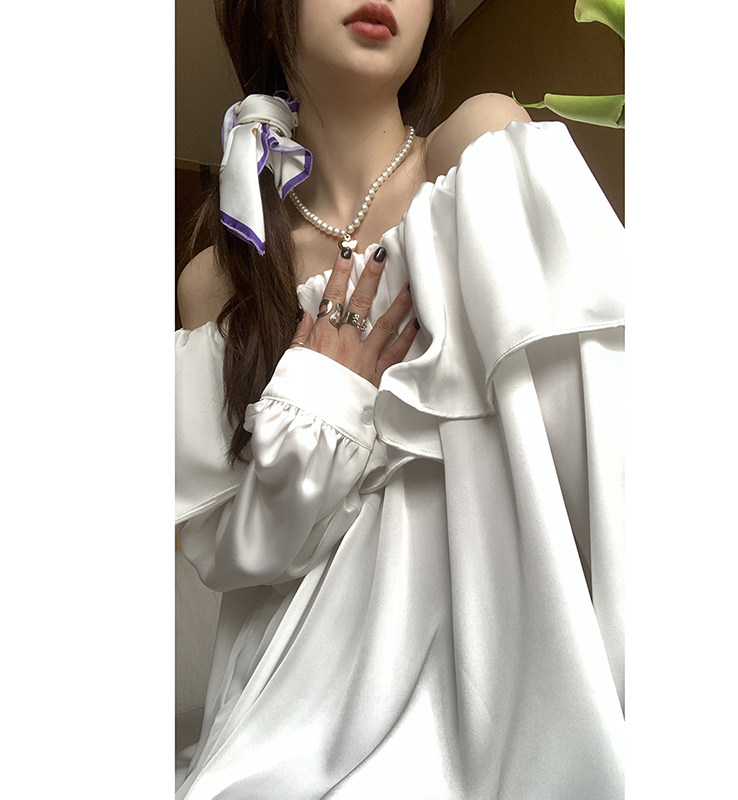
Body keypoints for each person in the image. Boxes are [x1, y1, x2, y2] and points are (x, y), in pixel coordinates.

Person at [175, 0, 625, 796]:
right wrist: (327, 392)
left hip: (501, 688)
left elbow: (597, 443)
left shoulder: (482, 151)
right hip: (290, 704)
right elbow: (238, 562)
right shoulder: (220, 277)